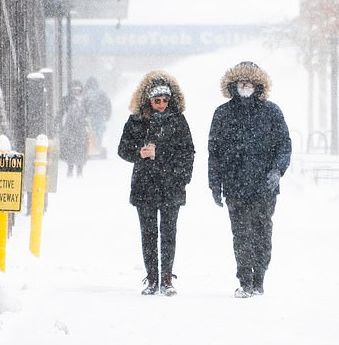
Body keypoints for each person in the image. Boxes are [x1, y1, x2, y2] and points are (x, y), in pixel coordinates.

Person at [208, 61, 292, 298]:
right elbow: (213, 151)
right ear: (233, 85)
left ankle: (260, 278)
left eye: (250, 83)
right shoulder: (222, 114)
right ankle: (245, 280)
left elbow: (284, 145)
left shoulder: (272, 112)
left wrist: (277, 171)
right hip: (234, 187)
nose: (246, 87)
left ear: (258, 85)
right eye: (241, 83)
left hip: (264, 186)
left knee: (262, 232)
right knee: (241, 234)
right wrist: (215, 183)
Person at [117, 71, 195, 296]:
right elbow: (123, 149)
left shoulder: (178, 121)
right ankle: (152, 278)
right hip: (145, 185)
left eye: (165, 100)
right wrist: (138, 152)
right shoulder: (136, 120)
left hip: (171, 185)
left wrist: (181, 177)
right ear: (148, 100)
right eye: (157, 100)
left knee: (169, 233)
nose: (161, 105)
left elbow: (188, 152)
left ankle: (167, 278)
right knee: (148, 233)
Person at [57, 80, 89, 177]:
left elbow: (88, 114)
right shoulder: (67, 100)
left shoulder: (85, 100)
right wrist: (58, 123)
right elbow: (60, 113)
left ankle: (79, 170)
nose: (76, 91)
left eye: (78, 89)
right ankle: (70, 169)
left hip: (81, 129)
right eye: (74, 90)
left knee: (81, 149)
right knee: (70, 149)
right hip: (70, 128)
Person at [84, 76, 112, 158]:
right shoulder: (101, 93)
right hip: (99, 117)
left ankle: (90, 150)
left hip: (89, 117)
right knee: (99, 134)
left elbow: (83, 106)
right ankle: (98, 149)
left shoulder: (85, 94)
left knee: (89, 134)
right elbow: (108, 104)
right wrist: (107, 115)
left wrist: (84, 116)